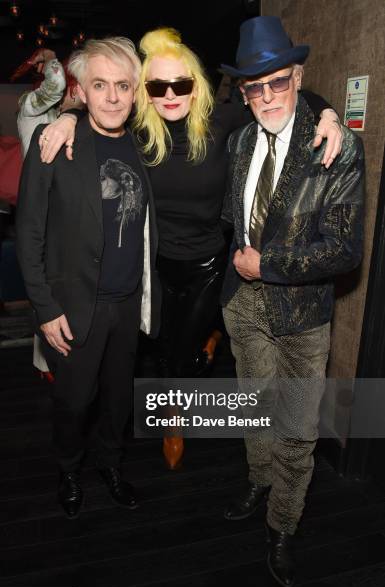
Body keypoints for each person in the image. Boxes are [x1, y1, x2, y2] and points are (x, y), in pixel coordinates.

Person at [38, 28, 342, 469]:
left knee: (180, 354)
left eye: (179, 84)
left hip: (206, 265)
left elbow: (296, 94)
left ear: (196, 85)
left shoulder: (225, 120)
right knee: (159, 344)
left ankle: (175, 418)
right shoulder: (136, 131)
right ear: (145, 92)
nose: (169, 95)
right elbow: (93, 114)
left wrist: (329, 114)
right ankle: (202, 347)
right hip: (153, 265)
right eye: (157, 86)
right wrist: (66, 117)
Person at [220, 16, 365, 587]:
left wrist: (269, 265)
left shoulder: (335, 145)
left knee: (298, 428)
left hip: (302, 315)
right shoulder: (238, 142)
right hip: (243, 307)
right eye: (254, 87)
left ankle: (284, 524)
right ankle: (259, 480)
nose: (266, 97)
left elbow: (345, 250)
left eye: (277, 81)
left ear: (299, 76)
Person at [16, 37, 161, 519]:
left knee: (118, 402)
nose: (114, 97)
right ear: (82, 89)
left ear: (137, 92)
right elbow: (28, 234)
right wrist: (45, 307)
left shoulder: (149, 147)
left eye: (123, 85)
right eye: (101, 85)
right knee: (74, 402)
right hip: (76, 307)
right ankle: (69, 469)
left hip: (128, 304)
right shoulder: (53, 142)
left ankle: (111, 464)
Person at [14, 47, 84, 376]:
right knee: (45, 293)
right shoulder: (30, 111)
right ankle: (50, 366)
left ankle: (56, 363)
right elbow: (54, 84)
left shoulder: (68, 121)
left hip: (64, 221)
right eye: (75, 87)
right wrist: (51, 56)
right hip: (41, 221)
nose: (76, 93)